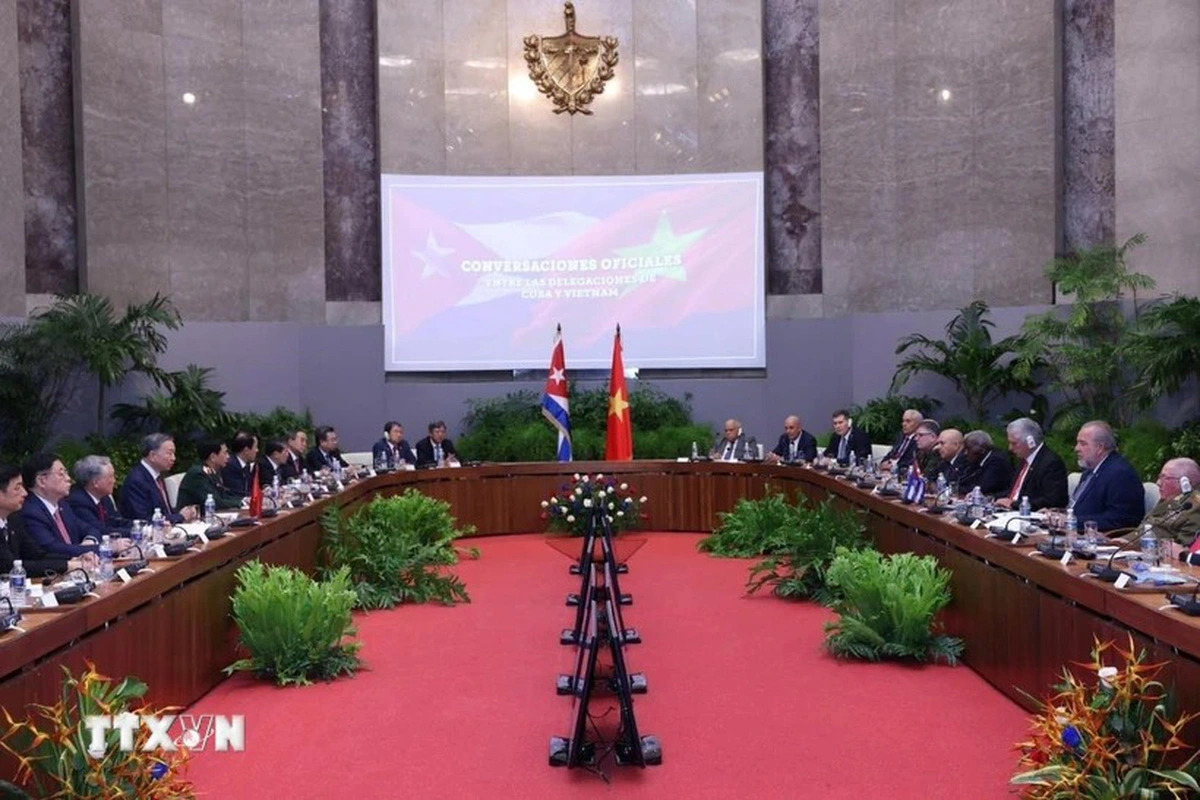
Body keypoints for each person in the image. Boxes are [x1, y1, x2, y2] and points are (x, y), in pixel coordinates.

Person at [0, 462, 84, 578]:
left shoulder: (13, 519)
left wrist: (76, 559)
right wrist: (67, 565)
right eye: (17, 488)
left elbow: (36, 554)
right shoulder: (27, 513)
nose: (24, 493)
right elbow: (9, 566)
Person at [20, 453, 103, 558]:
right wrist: (104, 548)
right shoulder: (31, 512)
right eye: (61, 474)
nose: (68, 478)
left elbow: (90, 529)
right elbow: (54, 549)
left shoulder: (62, 505)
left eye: (66, 473)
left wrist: (90, 540)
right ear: (42, 481)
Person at [1069, 421, 1145, 532]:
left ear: (1100, 448)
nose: (1077, 448)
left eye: (1083, 444)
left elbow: (1119, 520)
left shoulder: (1120, 474)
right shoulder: (1090, 470)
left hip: (1103, 541)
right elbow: (1077, 507)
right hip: (1075, 534)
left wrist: (1073, 522)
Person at [119, 433, 198, 523]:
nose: (173, 458)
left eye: (174, 454)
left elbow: (165, 511)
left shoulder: (157, 475)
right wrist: (179, 517)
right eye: (169, 453)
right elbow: (144, 520)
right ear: (152, 455)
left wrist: (182, 514)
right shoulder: (136, 481)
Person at [995, 417, 1068, 511]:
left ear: (1030, 442)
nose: (1010, 448)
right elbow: (1015, 492)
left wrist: (1015, 504)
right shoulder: (1025, 460)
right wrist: (991, 498)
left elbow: (1054, 500)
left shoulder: (1050, 463)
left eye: (1014, 443)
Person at [67, 455, 131, 535]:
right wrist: (134, 532)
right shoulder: (78, 501)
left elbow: (116, 521)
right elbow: (99, 530)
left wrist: (141, 526)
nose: (114, 480)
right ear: (95, 483)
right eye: (110, 477)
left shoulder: (104, 497)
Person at [1143, 458, 1200, 545]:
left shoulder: (1193, 507)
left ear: (1184, 482)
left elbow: (1181, 549)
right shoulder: (1166, 501)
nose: (1158, 483)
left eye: (1165, 478)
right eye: (1159, 477)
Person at [177, 440, 245, 511]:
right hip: (190, 519)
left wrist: (243, 500)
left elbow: (223, 496)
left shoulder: (212, 472)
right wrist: (240, 503)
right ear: (213, 457)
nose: (228, 456)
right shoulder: (198, 475)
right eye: (225, 453)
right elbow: (215, 502)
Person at [958, 430, 1014, 498]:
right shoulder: (978, 461)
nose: (965, 453)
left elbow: (983, 488)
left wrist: (957, 489)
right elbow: (965, 480)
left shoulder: (997, 461)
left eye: (968, 448)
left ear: (982, 449)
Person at [221, 432, 259, 497]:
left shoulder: (247, 466)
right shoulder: (230, 466)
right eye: (255, 447)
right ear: (246, 450)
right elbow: (237, 492)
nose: (257, 450)